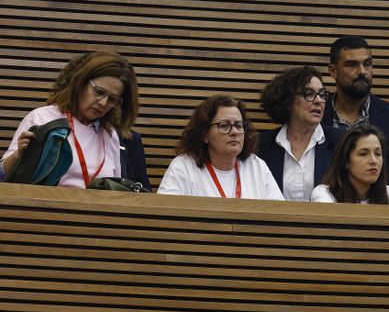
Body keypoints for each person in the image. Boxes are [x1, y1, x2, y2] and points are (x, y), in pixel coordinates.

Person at [2, 50, 149, 189]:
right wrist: (17, 156)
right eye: (99, 92)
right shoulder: (42, 118)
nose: (103, 103)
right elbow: (3, 175)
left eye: (112, 99)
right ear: (81, 83)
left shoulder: (110, 135)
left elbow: (116, 189)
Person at [321, 35, 389, 205]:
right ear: (333, 71)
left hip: (382, 223)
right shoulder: (316, 115)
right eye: (351, 65)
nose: (362, 71)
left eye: (367, 64)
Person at [158, 95, 283, 200]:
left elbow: (279, 215)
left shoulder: (256, 166)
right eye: (224, 125)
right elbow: (164, 216)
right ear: (205, 134)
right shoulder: (183, 167)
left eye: (238, 125)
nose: (234, 131)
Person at [257, 66, 337, 201]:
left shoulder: (340, 141)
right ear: (288, 101)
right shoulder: (262, 145)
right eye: (309, 94)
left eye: (322, 94)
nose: (318, 101)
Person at [311, 124, 389, 205]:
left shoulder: (388, 194)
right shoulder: (323, 193)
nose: (374, 161)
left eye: (378, 154)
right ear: (345, 161)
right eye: (363, 154)